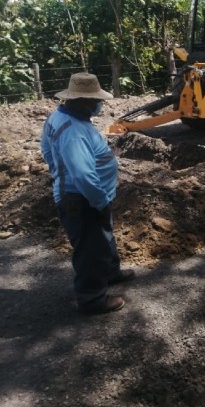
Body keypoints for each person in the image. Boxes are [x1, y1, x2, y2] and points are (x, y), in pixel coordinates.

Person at [41, 72, 135, 314]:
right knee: (92, 250)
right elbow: (83, 175)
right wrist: (100, 200)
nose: (99, 104)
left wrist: (59, 169)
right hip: (82, 199)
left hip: (86, 194)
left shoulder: (60, 115)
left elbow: (46, 150)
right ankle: (92, 299)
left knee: (104, 237)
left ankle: (110, 274)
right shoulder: (73, 131)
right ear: (82, 101)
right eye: (95, 100)